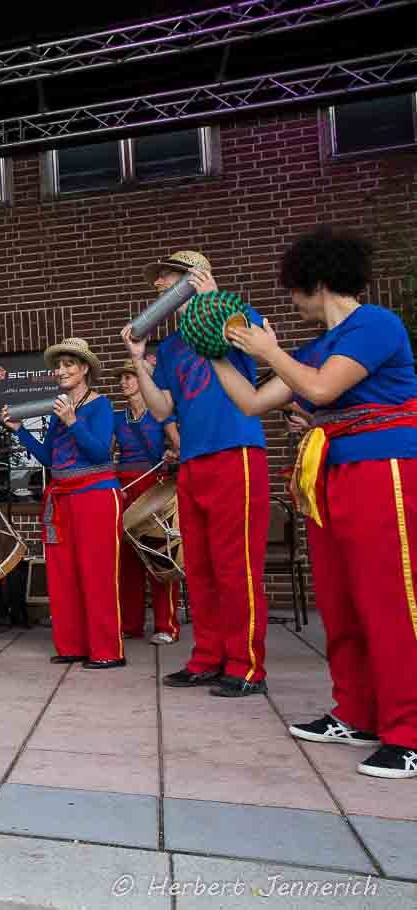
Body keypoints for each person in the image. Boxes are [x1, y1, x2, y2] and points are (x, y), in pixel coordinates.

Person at [208, 225, 417, 780]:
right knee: (340, 601)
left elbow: (322, 390)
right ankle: (357, 713)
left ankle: (409, 732)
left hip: (385, 470)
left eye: (294, 290)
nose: (291, 302)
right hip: (334, 476)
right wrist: (216, 356)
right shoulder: (315, 349)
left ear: (316, 282)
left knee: (391, 603)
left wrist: (270, 350)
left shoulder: (375, 324)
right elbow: (253, 403)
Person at [121, 250, 270, 698]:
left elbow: (264, 347)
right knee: (199, 567)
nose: (159, 284)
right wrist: (138, 360)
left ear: (194, 279)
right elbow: (161, 408)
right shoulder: (170, 346)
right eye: (159, 279)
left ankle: (246, 666)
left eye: (168, 276)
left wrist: (216, 301)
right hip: (193, 460)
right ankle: (207, 657)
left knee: (235, 565)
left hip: (235, 451)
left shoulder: (234, 312)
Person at [2, 338, 123, 669]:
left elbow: (100, 453)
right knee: (63, 574)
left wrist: (72, 421)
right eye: (58, 366)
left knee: (97, 574)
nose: (61, 370)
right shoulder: (60, 410)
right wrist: (19, 431)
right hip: (62, 496)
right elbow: (49, 458)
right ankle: (72, 646)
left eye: (69, 364)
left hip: (95, 495)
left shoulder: (101, 405)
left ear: (84, 369)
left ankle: (107, 651)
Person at [114, 359, 181, 645]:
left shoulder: (160, 413)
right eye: (122, 378)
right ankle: (131, 624)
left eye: (130, 376)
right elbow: (106, 455)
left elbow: (180, 446)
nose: (124, 382)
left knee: (159, 554)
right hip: (125, 487)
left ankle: (167, 625)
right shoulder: (117, 418)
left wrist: (172, 454)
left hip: (154, 486)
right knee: (127, 560)